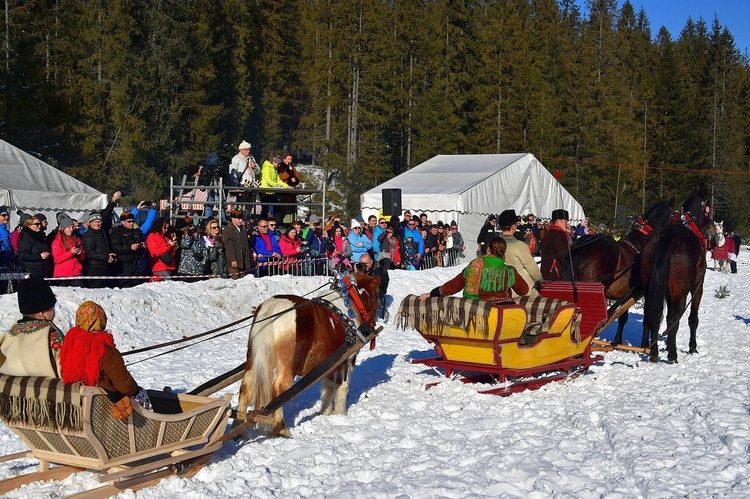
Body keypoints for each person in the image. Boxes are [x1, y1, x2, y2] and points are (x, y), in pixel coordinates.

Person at [59, 301, 151, 413]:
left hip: (75, 405)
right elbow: (126, 386)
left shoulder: (70, 344)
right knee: (139, 393)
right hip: (101, 408)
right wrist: (136, 390)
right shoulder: (105, 349)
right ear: (101, 320)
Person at [420, 237, 529, 302]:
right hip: (501, 314)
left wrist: (433, 293)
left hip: (476, 311)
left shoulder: (474, 266)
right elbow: (524, 290)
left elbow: (454, 286)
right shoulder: (509, 271)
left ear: (488, 250)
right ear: (504, 252)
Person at [0, 276, 64, 377]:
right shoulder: (52, 336)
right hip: (46, 390)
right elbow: (65, 369)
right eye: (52, 308)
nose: (54, 312)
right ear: (41, 313)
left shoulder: (10, 335)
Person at [498, 209, 543, 296]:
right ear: (513, 226)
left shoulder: (492, 245)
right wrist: (540, 279)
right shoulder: (520, 246)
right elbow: (534, 272)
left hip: (498, 290)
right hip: (519, 292)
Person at [110, 211, 147, 287]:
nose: (131, 223)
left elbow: (138, 243)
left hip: (135, 262)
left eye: (133, 221)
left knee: (137, 285)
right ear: (123, 222)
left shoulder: (136, 232)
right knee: (124, 286)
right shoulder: (117, 232)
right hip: (123, 264)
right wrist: (130, 247)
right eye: (129, 222)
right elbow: (116, 247)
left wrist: (142, 246)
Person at [82, 212, 116, 287]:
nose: (97, 224)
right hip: (94, 267)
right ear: (90, 223)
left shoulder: (102, 233)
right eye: (95, 222)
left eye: (99, 222)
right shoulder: (88, 235)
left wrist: (109, 255)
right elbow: (90, 252)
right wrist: (106, 257)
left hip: (105, 266)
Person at [51, 215, 86, 286]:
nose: (71, 229)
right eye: (68, 227)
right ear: (63, 228)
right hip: (62, 274)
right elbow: (57, 259)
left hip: (76, 272)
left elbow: (83, 257)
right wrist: (71, 252)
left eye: (72, 227)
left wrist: (80, 253)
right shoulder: (57, 241)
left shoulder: (77, 239)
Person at [540, 209, 571, 281]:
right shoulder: (559, 234)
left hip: (547, 271)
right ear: (559, 221)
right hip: (556, 273)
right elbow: (564, 256)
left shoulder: (550, 233)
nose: (567, 224)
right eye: (565, 221)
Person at [221, 209, 252, 279]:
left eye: (241, 218)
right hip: (234, 262)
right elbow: (228, 247)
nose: (241, 220)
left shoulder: (243, 229)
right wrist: (232, 259)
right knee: (235, 281)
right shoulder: (227, 231)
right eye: (238, 219)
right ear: (233, 219)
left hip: (243, 261)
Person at [356, 252, 388, 318]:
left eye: (366, 263)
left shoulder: (379, 271)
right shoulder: (362, 270)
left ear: (371, 261)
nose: (365, 266)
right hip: (364, 292)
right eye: (362, 264)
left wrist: (360, 275)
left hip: (376, 295)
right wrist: (356, 272)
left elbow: (371, 287)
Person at [260, 153, 291, 219]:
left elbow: (278, 180)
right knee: (265, 209)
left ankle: (277, 222)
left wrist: (287, 186)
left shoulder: (274, 168)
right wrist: (277, 185)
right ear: (274, 161)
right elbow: (268, 180)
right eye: (278, 163)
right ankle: (263, 222)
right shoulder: (266, 167)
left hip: (272, 191)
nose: (279, 165)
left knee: (277, 207)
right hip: (264, 190)